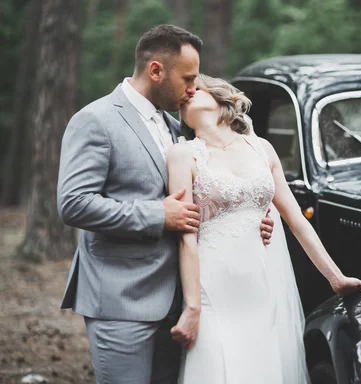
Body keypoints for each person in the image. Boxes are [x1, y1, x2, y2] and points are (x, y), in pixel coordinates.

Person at [56, 25, 274, 384]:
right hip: (121, 300)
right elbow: (74, 203)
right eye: (188, 78)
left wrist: (250, 220)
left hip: (181, 303)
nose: (193, 88)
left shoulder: (177, 128)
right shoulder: (96, 120)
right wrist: (159, 214)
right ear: (156, 70)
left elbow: (199, 196)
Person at [167, 74, 361, 383]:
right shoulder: (182, 154)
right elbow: (186, 236)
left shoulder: (261, 148)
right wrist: (192, 306)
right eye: (185, 94)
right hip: (212, 283)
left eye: (197, 89)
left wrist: (336, 278)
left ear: (220, 97)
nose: (188, 94)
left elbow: (296, 220)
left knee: (262, 367)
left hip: (262, 282)